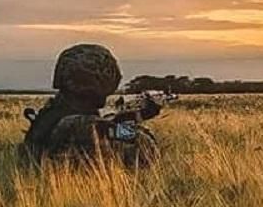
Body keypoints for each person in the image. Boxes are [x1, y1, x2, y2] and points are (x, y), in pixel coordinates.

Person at [22, 43, 160, 166]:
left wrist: (124, 119)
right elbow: (147, 152)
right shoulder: (83, 124)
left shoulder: (52, 113)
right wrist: (131, 123)